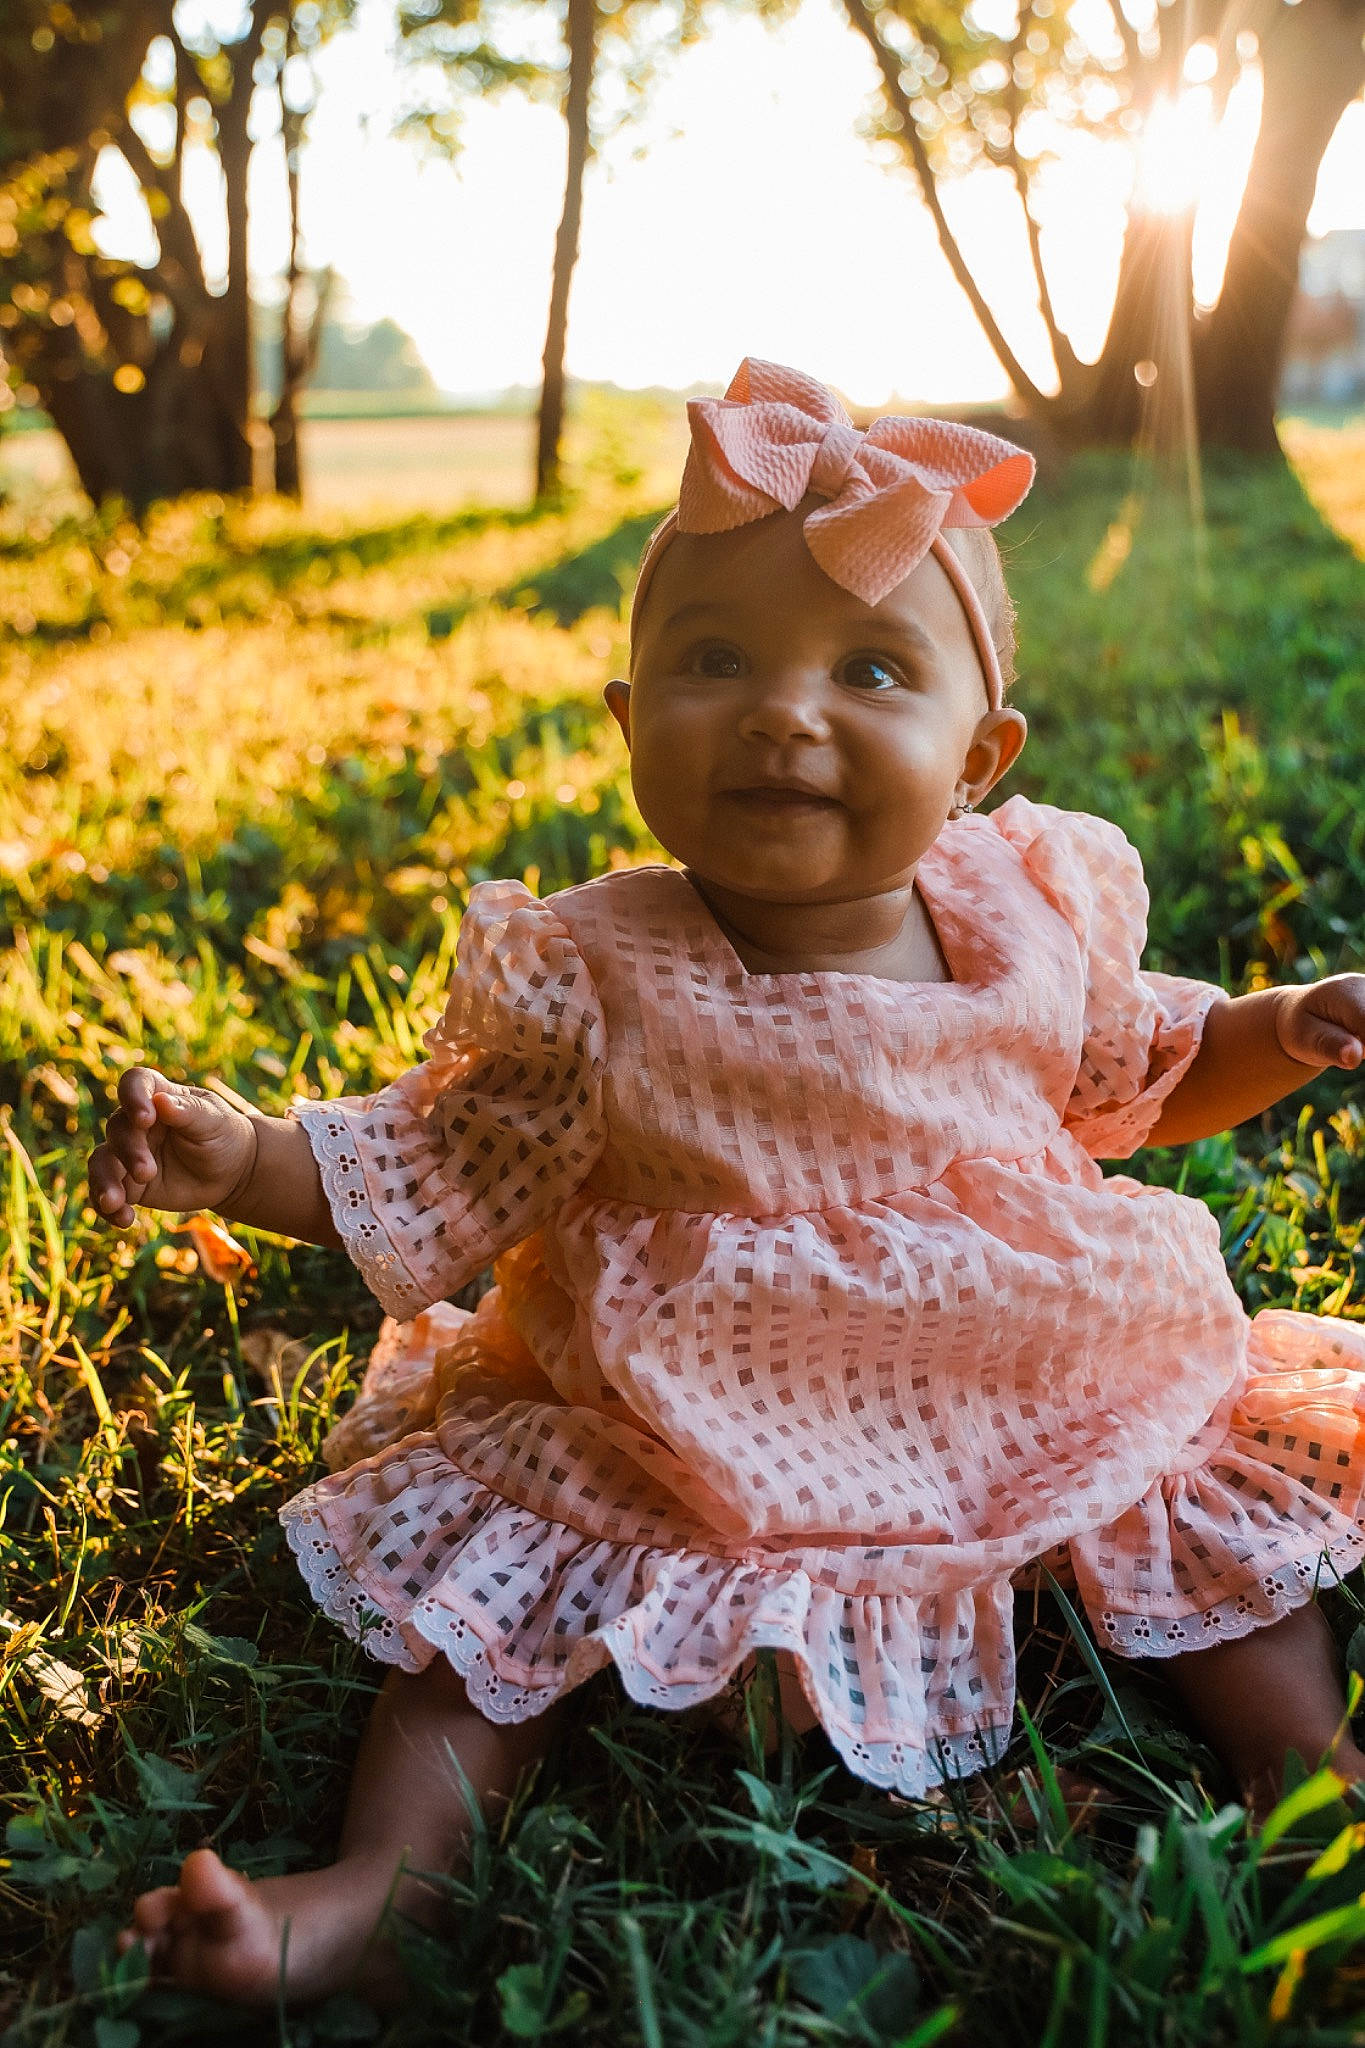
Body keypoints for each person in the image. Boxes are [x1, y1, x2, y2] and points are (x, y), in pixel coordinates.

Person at [89, 359, 1365, 2004]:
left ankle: (1304, 1772)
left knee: (1173, 1473)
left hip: (1032, 1352)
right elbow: (434, 1156)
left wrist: (1281, 1027)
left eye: (872, 668)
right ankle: (376, 1888)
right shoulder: (598, 972)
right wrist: (244, 1153)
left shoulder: (1026, 902)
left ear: (978, 754)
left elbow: (1147, 1071)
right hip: (693, 1416)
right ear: (629, 721)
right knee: (489, 1627)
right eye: (710, 660)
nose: (783, 708)